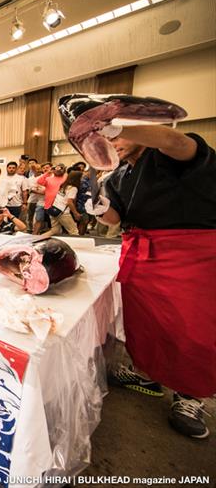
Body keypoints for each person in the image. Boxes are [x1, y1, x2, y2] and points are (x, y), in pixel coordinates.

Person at [90, 122, 216, 438]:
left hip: (188, 256)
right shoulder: (119, 175)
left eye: (116, 136)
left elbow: (175, 139)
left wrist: (117, 123)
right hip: (142, 255)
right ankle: (147, 373)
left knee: (191, 331)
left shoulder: (170, 155)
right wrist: (100, 210)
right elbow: (117, 218)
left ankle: (191, 396)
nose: (111, 143)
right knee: (145, 323)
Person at [42, 170, 82, 236]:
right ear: (77, 178)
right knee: (74, 232)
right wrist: (76, 213)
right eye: (81, 177)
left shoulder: (64, 185)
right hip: (63, 213)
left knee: (55, 230)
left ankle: (36, 239)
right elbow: (69, 202)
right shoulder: (73, 188)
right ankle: (76, 246)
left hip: (53, 209)